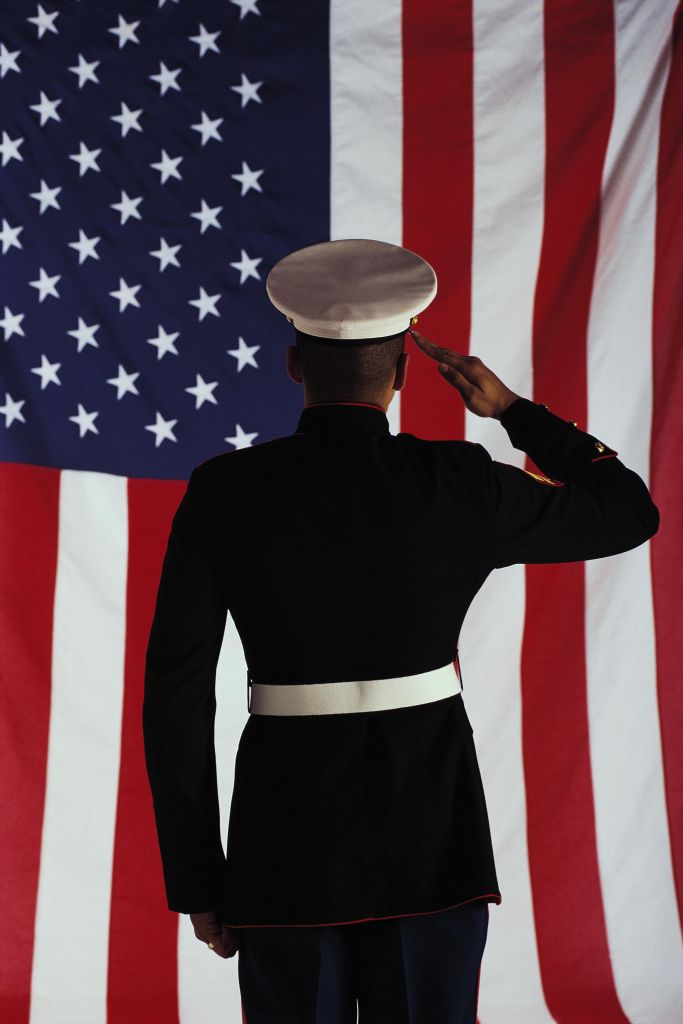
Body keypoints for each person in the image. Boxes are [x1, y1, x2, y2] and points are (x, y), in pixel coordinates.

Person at [142, 239, 659, 1023]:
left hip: (285, 842)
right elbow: (628, 511)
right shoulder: (459, 484)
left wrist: (198, 878)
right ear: (404, 372)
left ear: (293, 365)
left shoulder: (225, 491)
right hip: (431, 835)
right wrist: (514, 413)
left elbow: (174, 698)